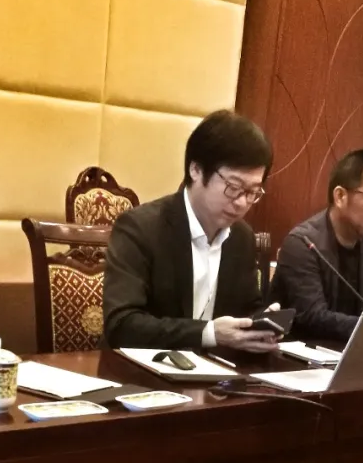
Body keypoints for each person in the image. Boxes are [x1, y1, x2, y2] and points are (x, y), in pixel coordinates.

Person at [102, 110, 282, 353]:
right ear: (195, 169)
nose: (241, 202)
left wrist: (260, 323)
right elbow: (121, 325)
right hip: (141, 369)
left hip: (215, 371)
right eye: (233, 187)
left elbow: (246, 309)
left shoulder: (242, 237)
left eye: (252, 192)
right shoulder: (140, 228)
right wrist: (208, 333)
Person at [271, 148, 363, 342]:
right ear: (341, 196)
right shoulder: (302, 244)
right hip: (303, 354)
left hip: (358, 351)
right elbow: (313, 317)